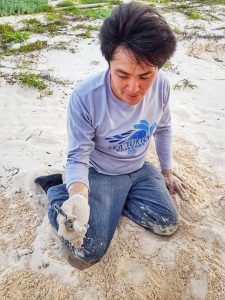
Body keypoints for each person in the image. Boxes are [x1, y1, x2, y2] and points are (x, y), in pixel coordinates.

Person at [35, 1, 188, 263]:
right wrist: (80, 195)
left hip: (138, 168)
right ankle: (56, 189)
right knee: (87, 249)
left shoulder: (162, 86)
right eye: (123, 74)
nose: (133, 88)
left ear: (158, 68)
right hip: (100, 172)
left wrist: (166, 172)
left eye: (145, 76)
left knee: (167, 222)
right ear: (108, 63)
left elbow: (163, 128)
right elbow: (78, 156)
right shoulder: (86, 97)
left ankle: (114, 200)